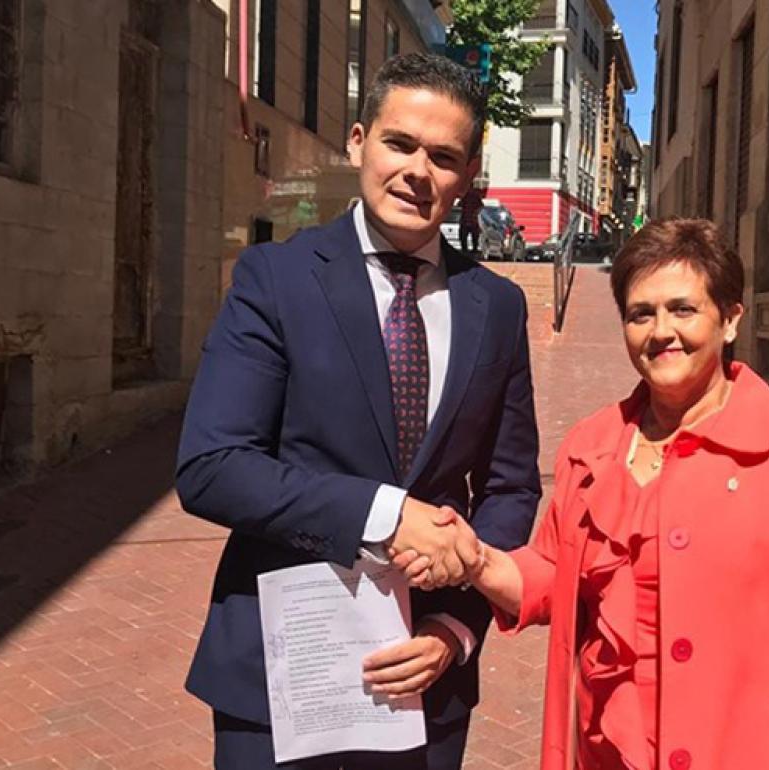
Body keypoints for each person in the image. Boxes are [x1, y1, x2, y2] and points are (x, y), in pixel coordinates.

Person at [395, 218, 769, 769]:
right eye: (641, 313)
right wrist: (475, 558)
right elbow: (550, 573)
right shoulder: (594, 447)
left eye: (683, 309)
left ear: (730, 319)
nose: (662, 331)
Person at [176, 53, 541, 770]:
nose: (416, 171)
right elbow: (212, 466)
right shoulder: (274, 278)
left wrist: (454, 629)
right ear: (357, 141)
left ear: (467, 176)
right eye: (399, 143)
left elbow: (512, 487)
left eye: (443, 156)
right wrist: (386, 514)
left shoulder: (496, 307)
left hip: (425, 684)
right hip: (281, 677)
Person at [458, 187, 483, 255]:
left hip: (468, 221)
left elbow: (459, 204)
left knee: (464, 237)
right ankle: (472, 250)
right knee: (472, 238)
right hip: (470, 221)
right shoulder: (473, 196)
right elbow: (481, 206)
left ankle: (467, 251)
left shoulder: (466, 195)